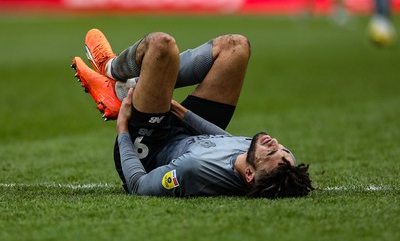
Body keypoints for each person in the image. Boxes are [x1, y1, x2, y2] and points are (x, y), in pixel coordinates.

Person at [71, 29, 314, 198]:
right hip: (189, 131)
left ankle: (111, 69)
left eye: (271, 151)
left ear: (249, 174)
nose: (276, 143)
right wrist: (184, 113)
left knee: (161, 44)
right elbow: (225, 142)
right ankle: (124, 90)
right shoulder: (280, 163)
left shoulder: (194, 169)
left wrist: (123, 129)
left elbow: (139, 186)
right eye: (282, 149)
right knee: (236, 47)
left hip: (149, 145)